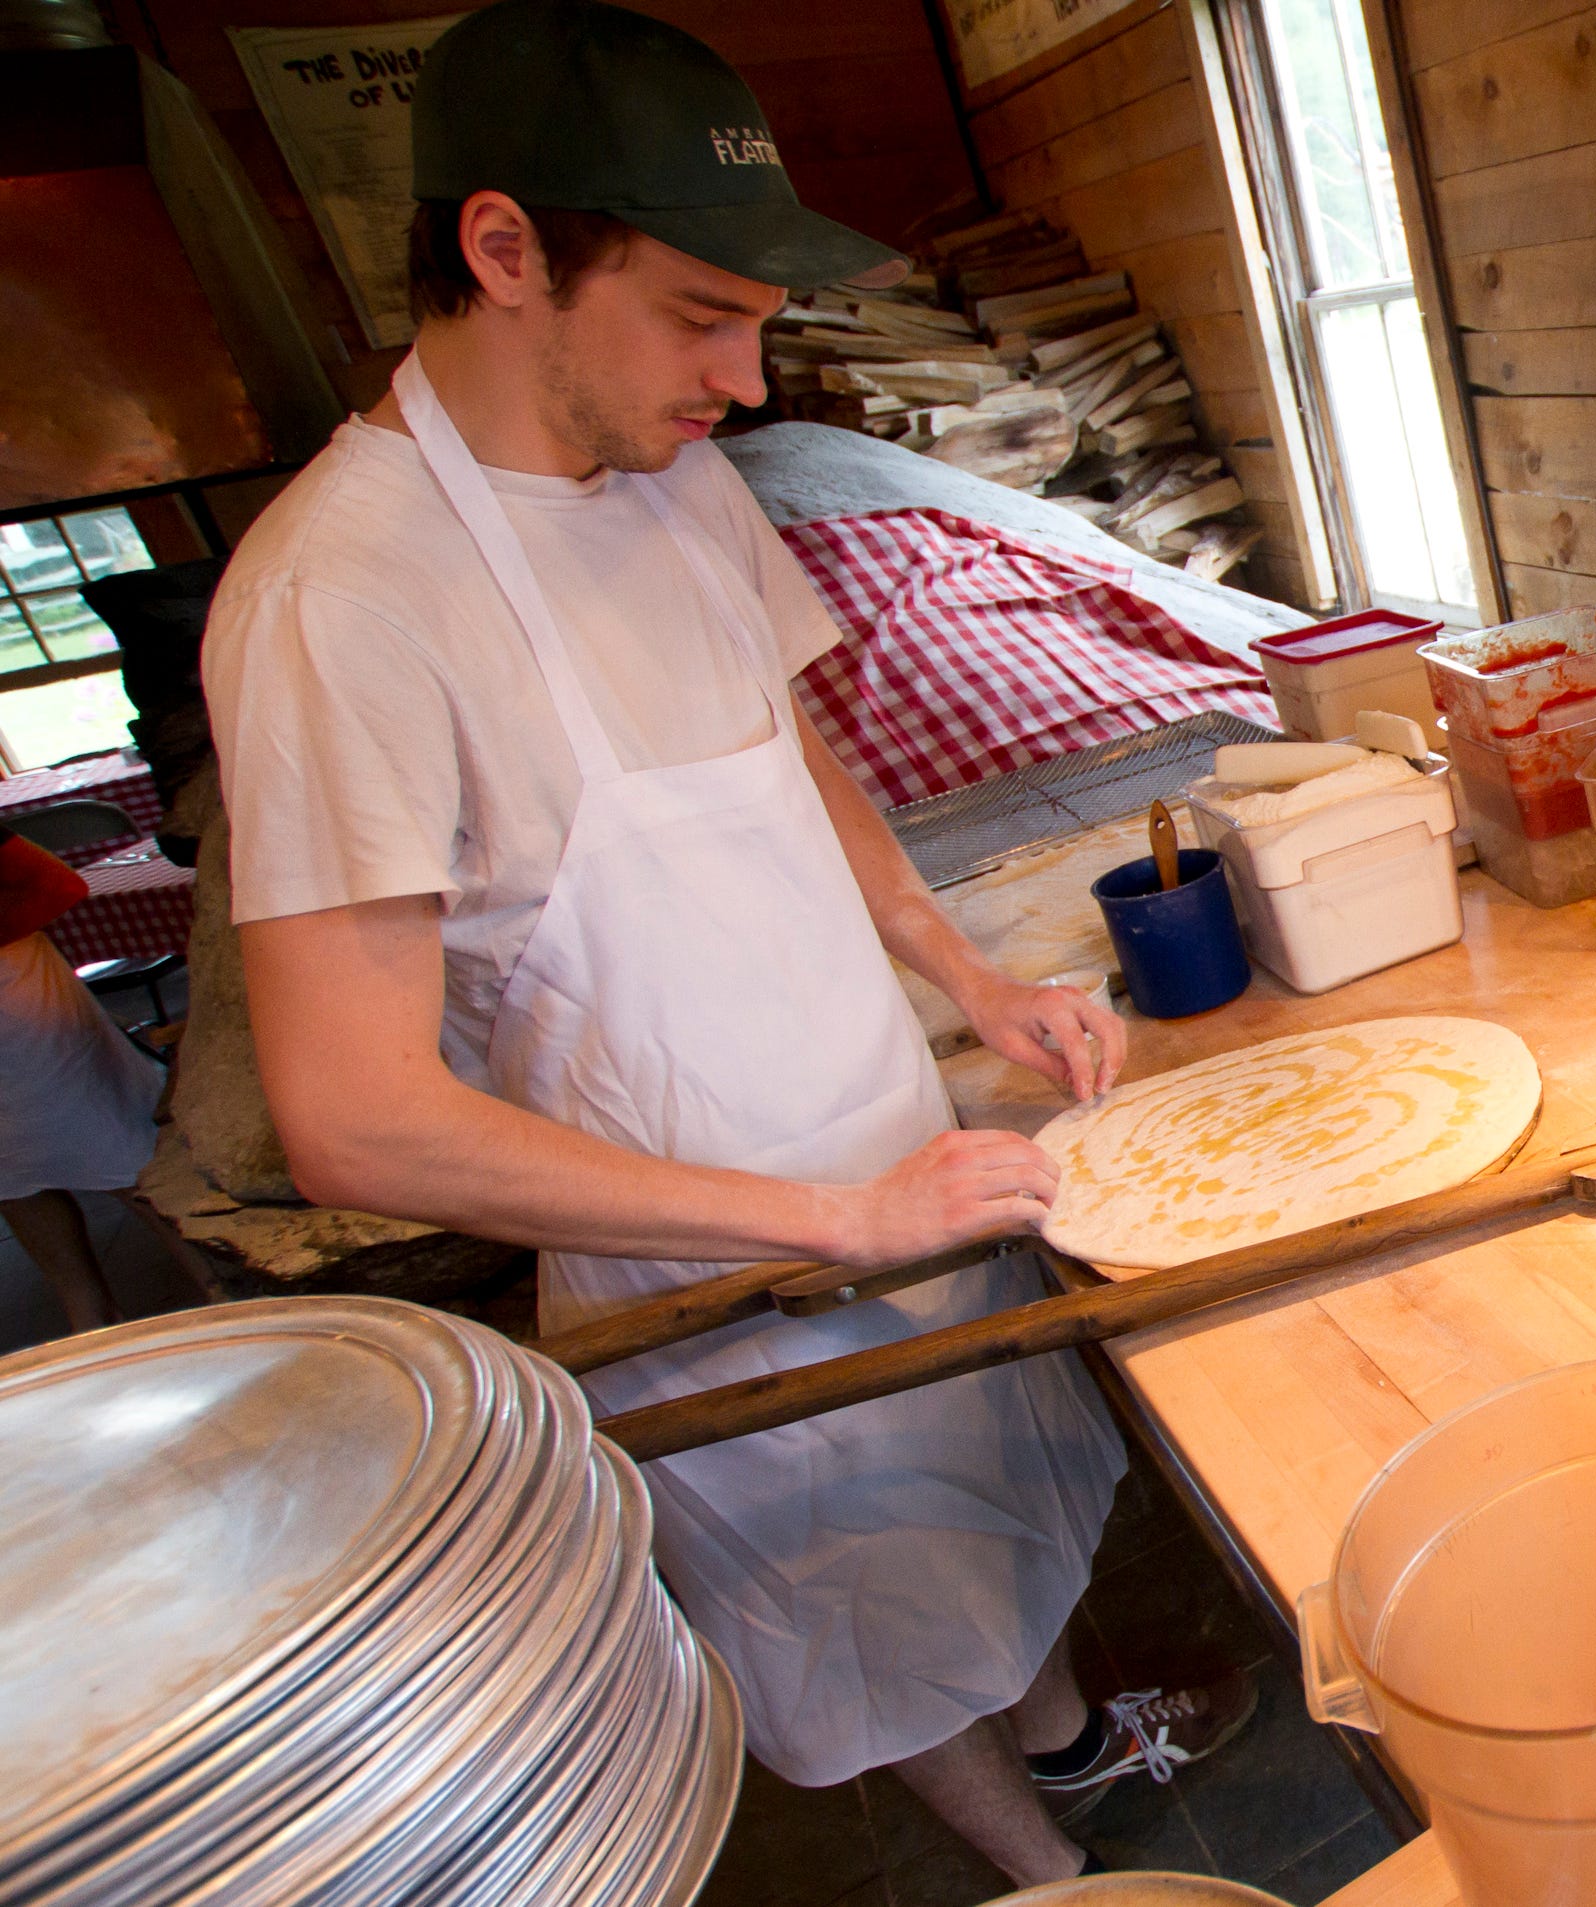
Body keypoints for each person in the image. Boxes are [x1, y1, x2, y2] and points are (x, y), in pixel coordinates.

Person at [207, 2, 1239, 1884]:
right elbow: (353, 1120)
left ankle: (1086, 1739)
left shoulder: (675, 477)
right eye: (703, 315)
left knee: (993, 1501)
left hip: (903, 1155)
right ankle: (1069, 1880)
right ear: (505, 251)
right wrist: (838, 1227)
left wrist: (962, 970)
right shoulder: (337, 601)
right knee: (872, 1614)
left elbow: (793, 742)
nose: (749, 383)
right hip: (726, 1269)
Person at [0, 832, 160, 1337]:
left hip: (19, 998)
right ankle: (91, 1315)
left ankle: (221, 1282)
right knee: (12, 1173)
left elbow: (56, 884)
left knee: (121, 1151)